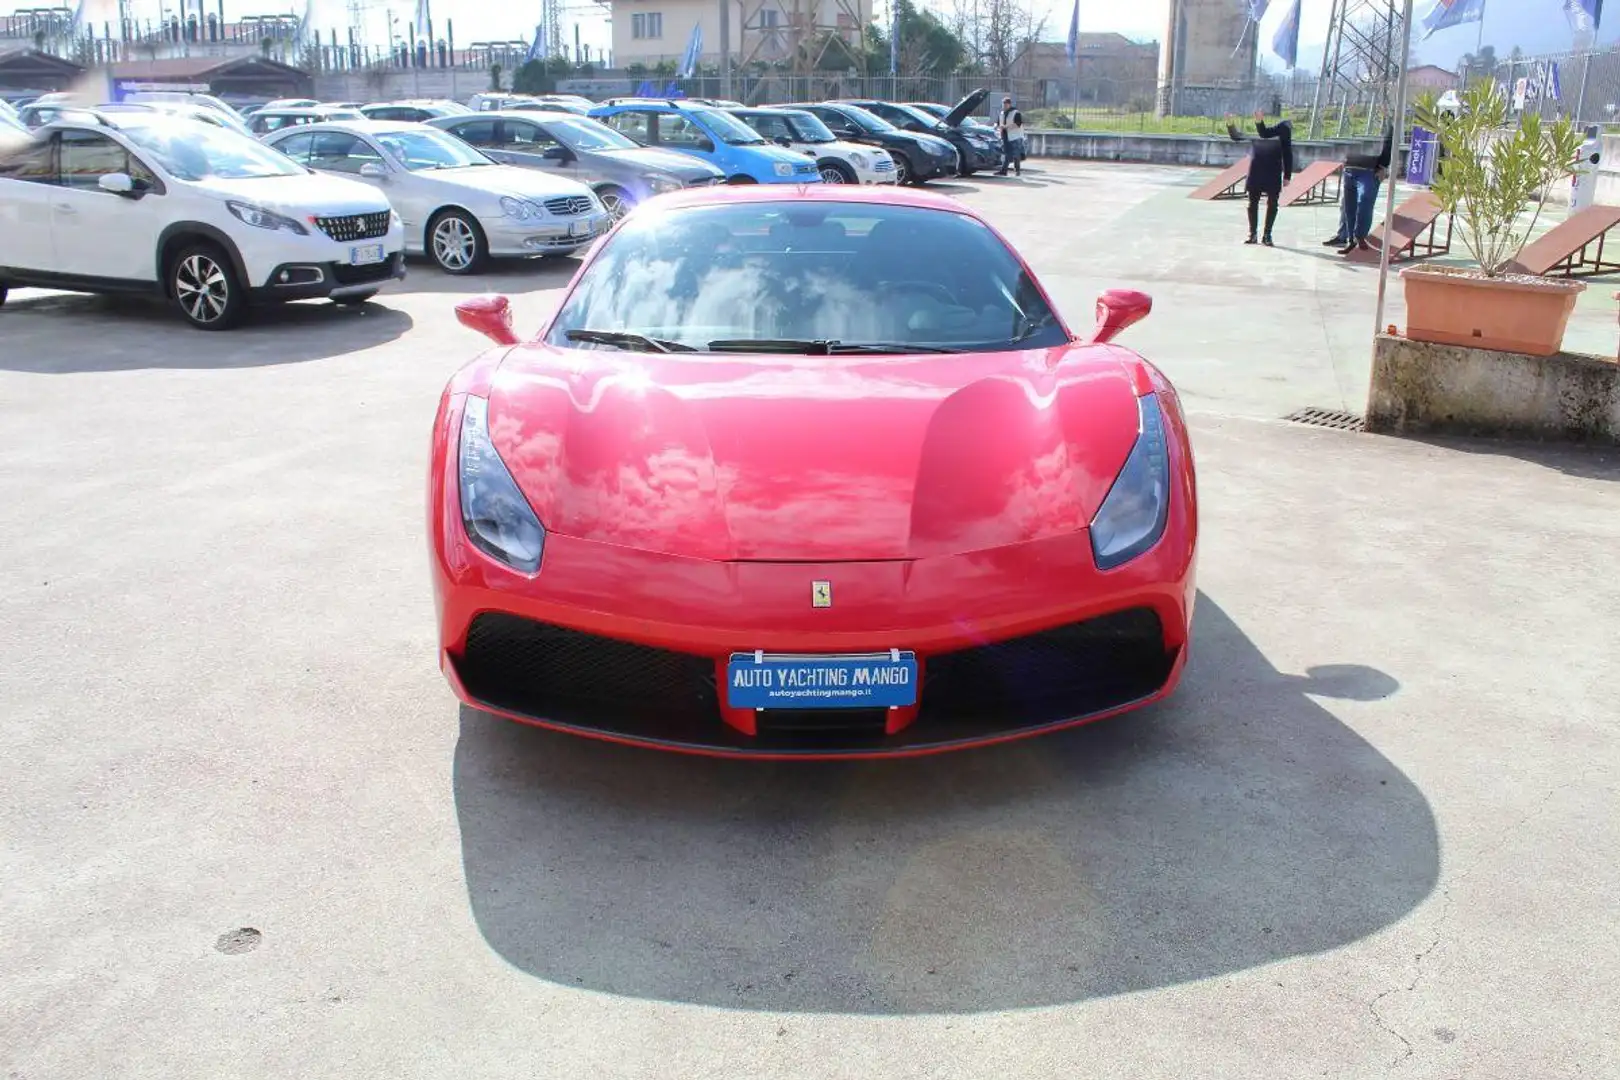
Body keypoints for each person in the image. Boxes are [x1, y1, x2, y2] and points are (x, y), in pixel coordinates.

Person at [1226, 109, 1294, 246]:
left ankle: (1267, 234)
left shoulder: (1283, 129)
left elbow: (1287, 153)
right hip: (1256, 169)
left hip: (1273, 170)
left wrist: (1287, 175)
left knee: (1273, 203)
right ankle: (1253, 234)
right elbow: (1236, 136)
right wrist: (1230, 123)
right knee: (1253, 202)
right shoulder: (1255, 130)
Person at [1323, 123, 1394, 254]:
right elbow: (1343, 140)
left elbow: (1389, 141)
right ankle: (1346, 237)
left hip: (1369, 170)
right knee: (1347, 206)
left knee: (1364, 204)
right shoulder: (1349, 115)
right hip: (1350, 169)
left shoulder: (1385, 119)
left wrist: (1383, 166)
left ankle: (1359, 236)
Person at [994, 96, 1025, 177]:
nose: (1004, 106)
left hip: (1015, 136)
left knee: (1016, 154)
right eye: (1003, 104)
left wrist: (1006, 126)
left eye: (1006, 104)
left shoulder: (1016, 112)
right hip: (1005, 136)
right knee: (1006, 154)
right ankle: (1003, 171)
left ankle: (1017, 171)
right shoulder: (1001, 113)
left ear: (1009, 104)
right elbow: (998, 123)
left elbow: (1018, 124)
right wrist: (996, 126)